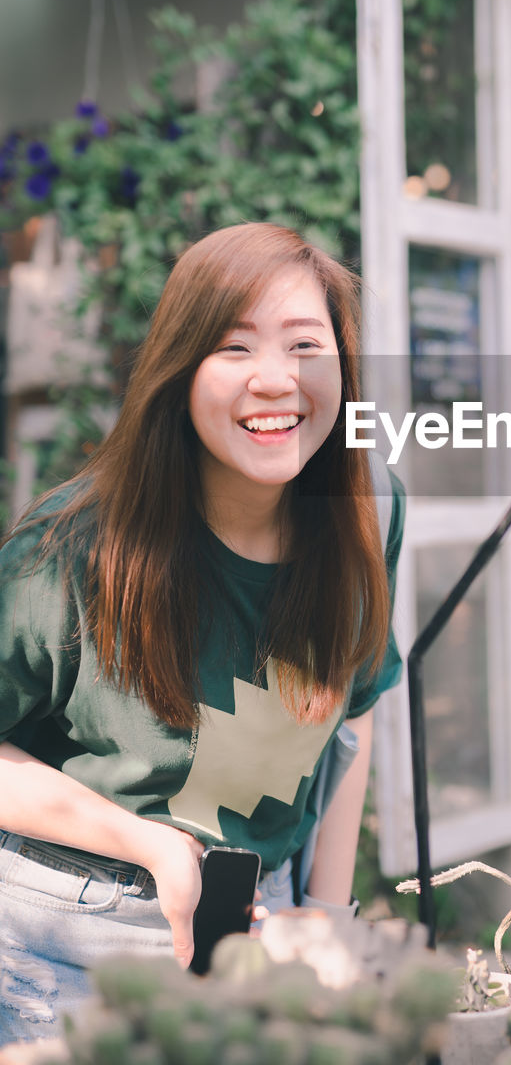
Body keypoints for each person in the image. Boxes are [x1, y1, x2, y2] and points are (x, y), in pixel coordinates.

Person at [0, 222, 404, 1045]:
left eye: (304, 344)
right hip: (75, 936)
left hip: (265, 914)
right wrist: (149, 845)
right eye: (233, 347)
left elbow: (353, 712)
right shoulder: (69, 548)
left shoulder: (367, 508)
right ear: (178, 372)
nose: (275, 381)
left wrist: (326, 914)